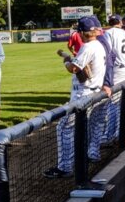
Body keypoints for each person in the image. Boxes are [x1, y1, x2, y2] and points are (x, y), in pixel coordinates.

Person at [44, 16, 108, 179]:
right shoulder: (99, 45)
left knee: (64, 127)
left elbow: (73, 69)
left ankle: (65, 167)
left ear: (81, 33)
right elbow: (82, 72)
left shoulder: (87, 47)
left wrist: (66, 62)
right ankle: (89, 156)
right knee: (88, 127)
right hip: (95, 91)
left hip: (83, 95)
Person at [102, 14, 125, 143]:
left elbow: (107, 54)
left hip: (116, 71)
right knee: (124, 103)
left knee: (113, 104)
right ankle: (119, 132)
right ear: (120, 22)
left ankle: (111, 134)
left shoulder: (108, 33)